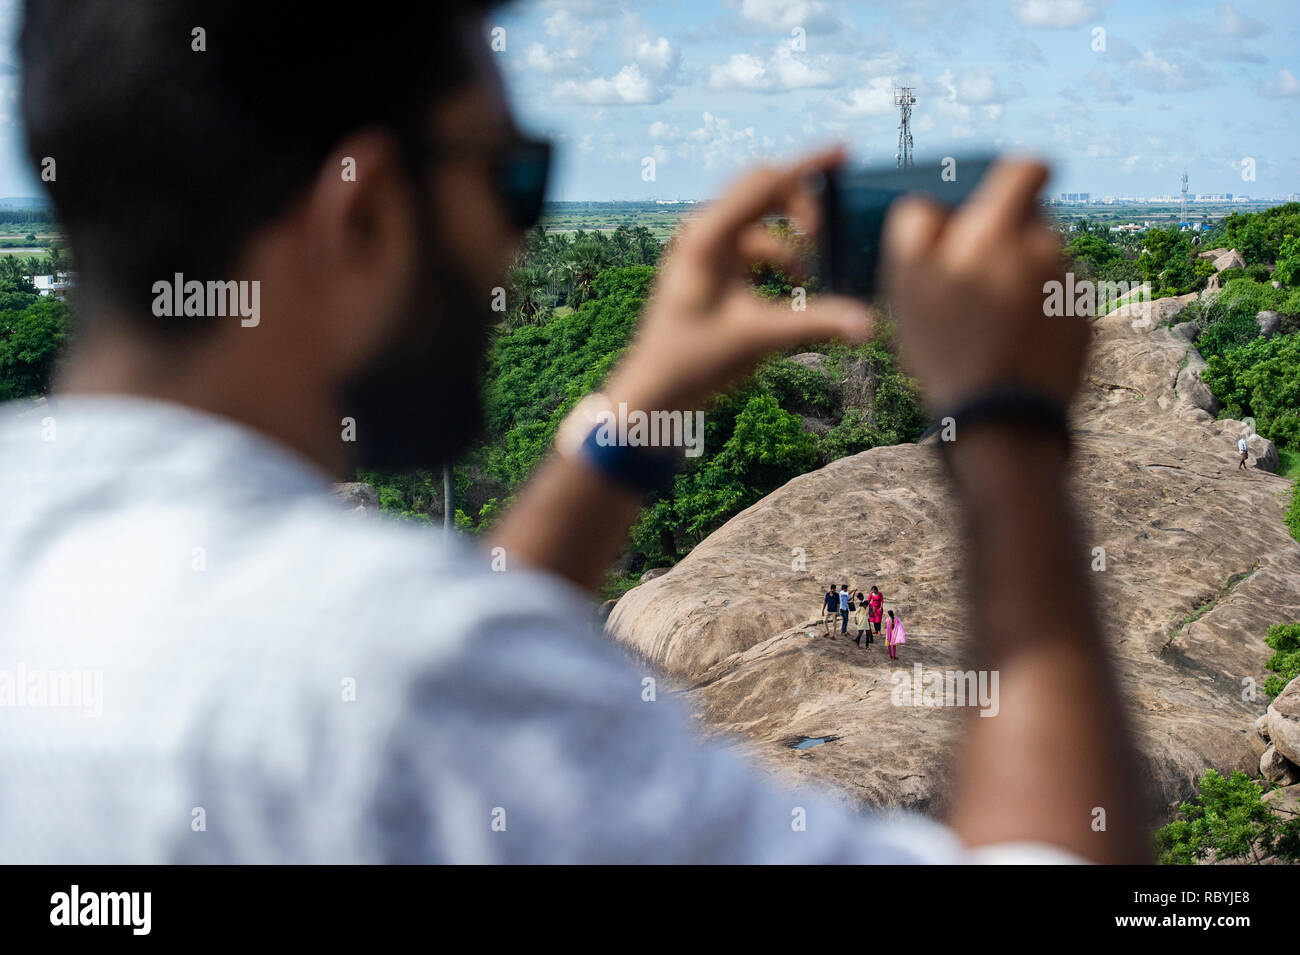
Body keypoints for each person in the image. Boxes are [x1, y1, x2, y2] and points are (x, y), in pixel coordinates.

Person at [2, 0, 1145, 864]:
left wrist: (633, 415)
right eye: (516, 176)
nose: (516, 241)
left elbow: (428, 662)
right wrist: (1008, 425)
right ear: (362, 209)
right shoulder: (397, 681)